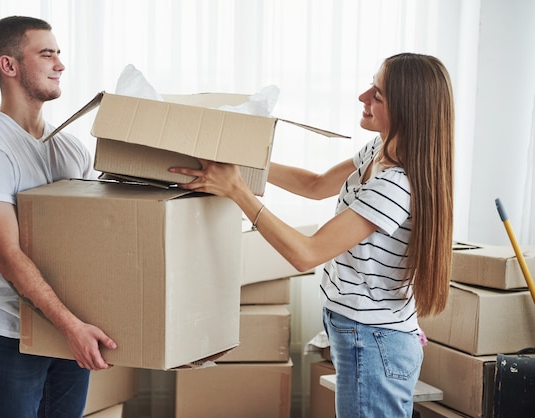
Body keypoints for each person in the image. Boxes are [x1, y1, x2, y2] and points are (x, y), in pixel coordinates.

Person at [170, 52, 454, 417]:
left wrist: (237, 190)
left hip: (373, 340)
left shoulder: (396, 185)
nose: (363, 97)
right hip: (361, 331)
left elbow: (307, 253)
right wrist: (243, 160)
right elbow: (316, 185)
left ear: (407, 110)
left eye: (378, 95)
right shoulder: (379, 150)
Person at [0, 16, 116, 418]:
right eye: (47, 54)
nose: (60, 64)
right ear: (9, 66)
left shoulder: (70, 148)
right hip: (13, 332)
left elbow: (98, 231)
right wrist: (71, 327)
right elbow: (7, 257)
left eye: (59, 54)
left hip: (69, 322)